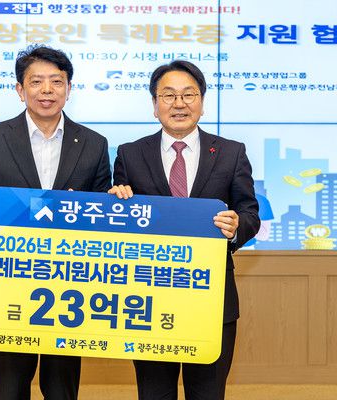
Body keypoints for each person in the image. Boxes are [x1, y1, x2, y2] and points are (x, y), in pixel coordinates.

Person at [0, 45, 112, 400]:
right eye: (36, 82)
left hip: (69, 289)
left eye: (56, 81)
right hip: (9, 283)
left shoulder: (95, 144)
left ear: (69, 88)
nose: (47, 90)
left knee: (61, 388)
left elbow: (102, 214)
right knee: (9, 387)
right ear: (20, 90)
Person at [109, 60, 260, 400]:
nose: (179, 104)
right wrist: (116, 202)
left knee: (207, 393)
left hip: (211, 298)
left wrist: (237, 227)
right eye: (168, 95)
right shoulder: (130, 154)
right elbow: (121, 219)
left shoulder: (231, 153)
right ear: (155, 104)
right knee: (154, 393)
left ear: (202, 102)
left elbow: (250, 212)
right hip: (148, 298)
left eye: (188, 94)